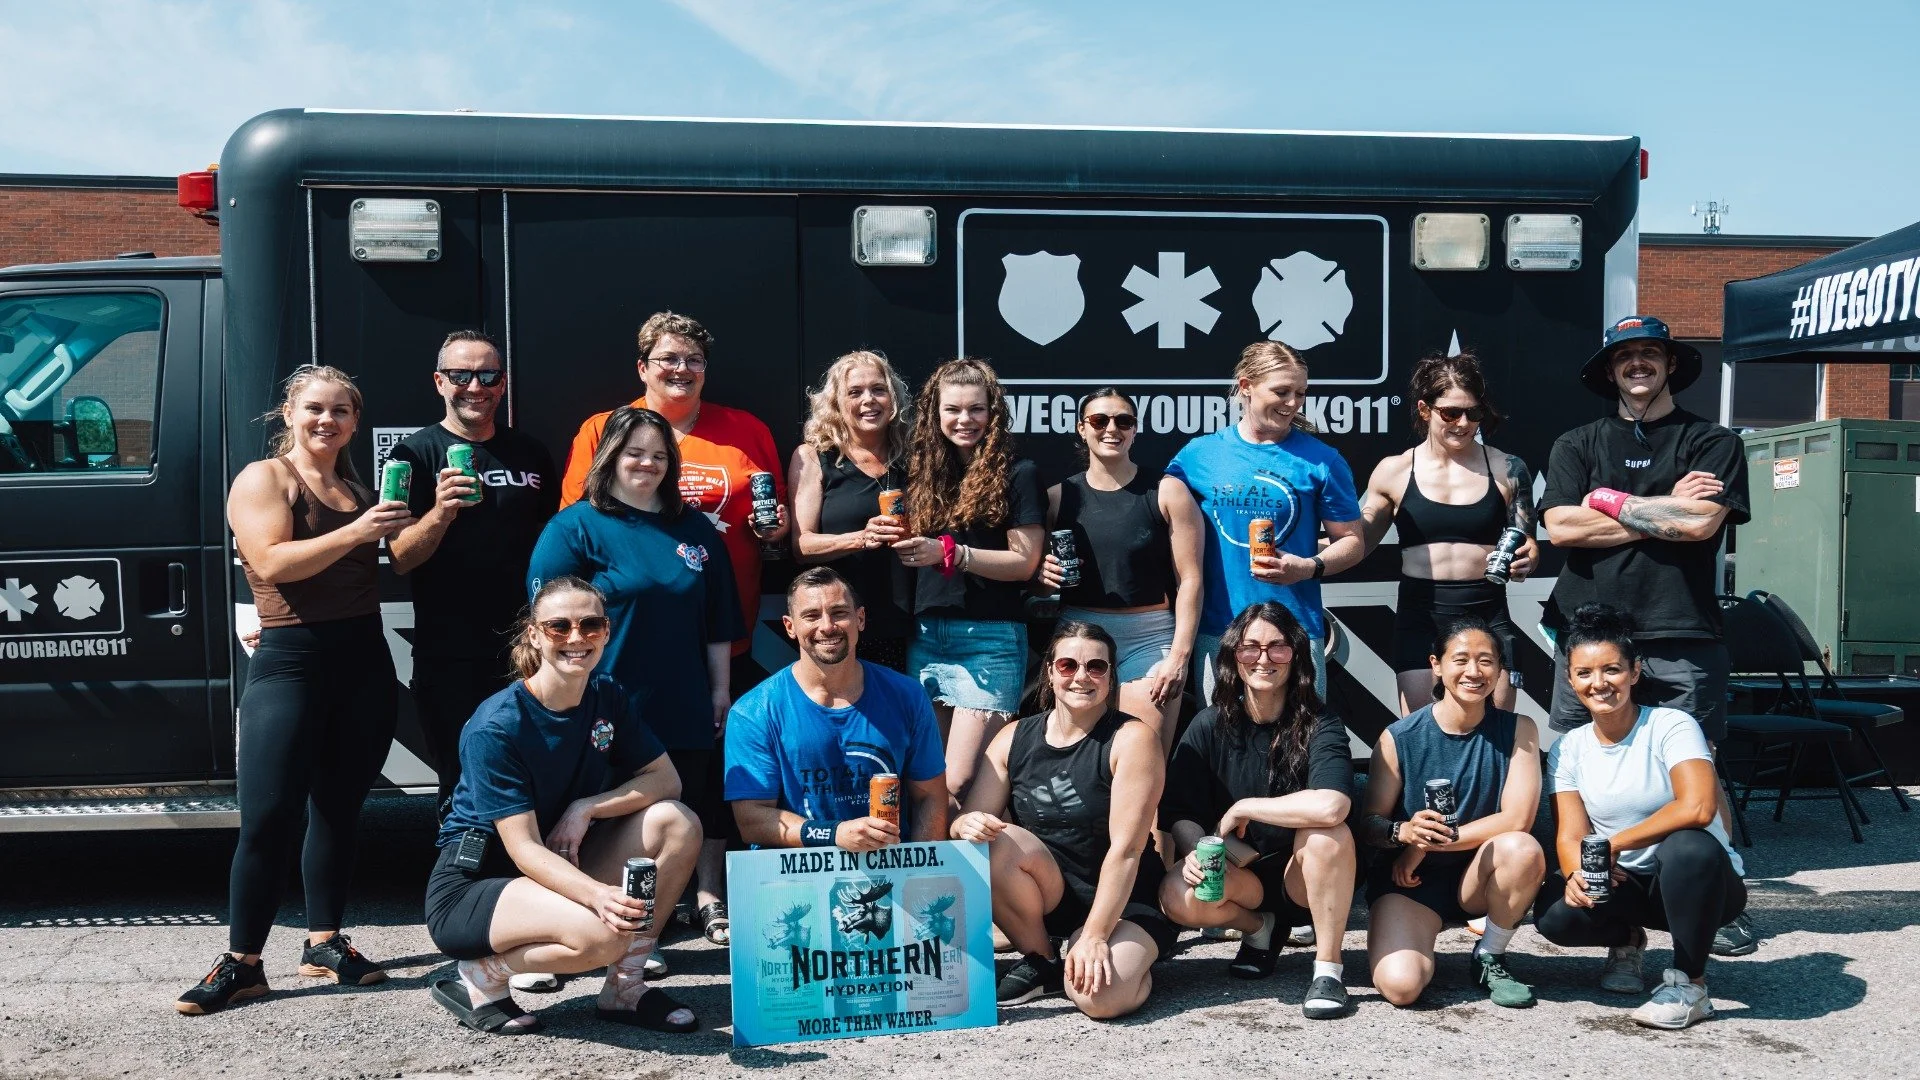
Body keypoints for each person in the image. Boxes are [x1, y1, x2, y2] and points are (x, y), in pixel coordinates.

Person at [178, 365, 410, 1014]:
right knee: (269, 818)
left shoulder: (357, 487)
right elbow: (271, 559)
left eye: (340, 411)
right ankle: (243, 963)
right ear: (288, 414)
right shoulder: (265, 479)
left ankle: (325, 943)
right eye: (314, 408)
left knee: (339, 809)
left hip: (364, 663)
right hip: (290, 665)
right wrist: (358, 533)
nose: (326, 420)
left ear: (356, 423)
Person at [558, 311, 787, 945]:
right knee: (619, 771)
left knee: (711, 766)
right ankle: (612, 900)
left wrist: (773, 533)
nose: (679, 369)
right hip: (627, 647)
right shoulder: (604, 428)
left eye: (691, 359)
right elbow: (581, 521)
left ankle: (708, 890)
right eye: (666, 359)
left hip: (719, 640)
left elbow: (775, 523)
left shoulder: (745, 432)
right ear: (642, 367)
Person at [1539, 314, 1755, 958]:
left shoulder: (1712, 441)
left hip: (1683, 631)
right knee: (1586, 772)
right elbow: (1561, 530)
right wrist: (1661, 505)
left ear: (1668, 364)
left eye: (1649, 354)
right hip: (1588, 636)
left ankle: (1717, 895)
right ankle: (1619, 925)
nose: (1638, 364)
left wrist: (1604, 501)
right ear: (1610, 370)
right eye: (1625, 355)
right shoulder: (1577, 442)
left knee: (1700, 776)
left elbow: (1700, 525)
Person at [425, 576, 703, 1034]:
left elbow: (665, 780)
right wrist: (598, 896)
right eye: (558, 626)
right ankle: (479, 976)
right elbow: (524, 850)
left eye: (590, 625)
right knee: (604, 935)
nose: (576, 638)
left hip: (558, 863)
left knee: (677, 822)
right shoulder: (497, 726)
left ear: (606, 632)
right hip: (479, 885)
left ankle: (625, 989)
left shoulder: (606, 694)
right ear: (534, 634)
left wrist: (587, 807)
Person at [530, 406, 744, 947]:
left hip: (683, 694)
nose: (646, 465)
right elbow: (547, 620)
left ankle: (679, 913)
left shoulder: (694, 528)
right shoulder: (576, 526)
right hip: (606, 700)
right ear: (610, 458)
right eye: (634, 454)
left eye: (658, 455)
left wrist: (719, 690)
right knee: (612, 813)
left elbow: (718, 619)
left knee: (690, 802)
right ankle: (589, 922)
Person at [1532, 604, 1748, 1030]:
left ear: (1634, 672)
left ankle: (1691, 985)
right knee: (1555, 914)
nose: (1599, 683)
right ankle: (1628, 941)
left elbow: (1698, 807)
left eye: (1611, 670)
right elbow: (1570, 833)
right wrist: (1578, 874)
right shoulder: (1568, 748)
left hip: (1703, 884)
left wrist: (1612, 845)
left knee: (1687, 845)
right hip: (1626, 884)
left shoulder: (1671, 725)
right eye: (1584, 673)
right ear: (1570, 679)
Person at [953, 621, 1170, 1017]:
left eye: (1096, 667)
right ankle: (1043, 960)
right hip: (1052, 893)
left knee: (1100, 1000)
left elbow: (1127, 850)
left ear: (1111, 675)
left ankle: (1139, 960)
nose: (1082, 677)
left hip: (1124, 900)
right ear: (1050, 671)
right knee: (992, 839)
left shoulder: (1131, 739)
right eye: (1068, 665)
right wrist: (964, 825)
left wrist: (1096, 935)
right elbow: (967, 820)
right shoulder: (1014, 737)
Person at [1157, 602, 1358, 1019]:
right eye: (1250, 648)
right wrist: (1195, 849)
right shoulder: (1208, 724)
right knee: (1177, 894)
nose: (1263, 659)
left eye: (1277, 647)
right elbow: (1180, 810)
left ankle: (1328, 969)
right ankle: (1259, 930)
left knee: (1327, 834)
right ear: (1233, 656)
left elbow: (1334, 803)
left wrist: (1247, 807)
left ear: (1297, 655)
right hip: (1241, 877)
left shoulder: (1321, 723)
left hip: (1302, 880)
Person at [389, 330, 559, 813]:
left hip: (529, 649)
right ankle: (461, 885)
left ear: (502, 384)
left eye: (488, 375)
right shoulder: (413, 455)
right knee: (461, 780)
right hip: (450, 653)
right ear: (440, 382)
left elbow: (555, 542)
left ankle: (529, 882)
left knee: (533, 774)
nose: (475, 386)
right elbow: (400, 557)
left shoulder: (530, 454)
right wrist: (441, 511)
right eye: (461, 375)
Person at [1359, 616, 1544, 1009]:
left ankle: (1490, 953)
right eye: (1460, 660)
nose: (1474, 672)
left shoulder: (1520, 729)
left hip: (1479, 875)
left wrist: (1426, 845)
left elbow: (1517, 819)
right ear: (1436, 665)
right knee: (1401, 987)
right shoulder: (1398, 737)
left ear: (1499, 670)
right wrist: (1403, 833)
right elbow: (1370, 823)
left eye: (1486, 661)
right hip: (1409, 883)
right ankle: (1414, 941)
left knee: (1522, 848)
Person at [1168, 342, 1365, 704]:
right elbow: (1158, 521)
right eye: (1282, 391)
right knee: (1225, 749)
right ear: (1246, 386)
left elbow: (1352, 542)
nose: (1292, 402)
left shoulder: (1322, 461)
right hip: (1219, 628)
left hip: (1295, 631)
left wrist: (1307, 567)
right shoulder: (1197, 456)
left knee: (1297, 746)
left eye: (1300, 393)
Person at [895, 358, 1045, 799]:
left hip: (991, 641)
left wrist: (952, 554)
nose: (965, 420)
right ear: (934, 413)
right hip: (926, 635)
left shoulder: (1019, 472)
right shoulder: (920, 473)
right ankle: (939, 867)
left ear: (993, 412)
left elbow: (1024, 562)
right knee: (928, 780)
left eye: (976, 409)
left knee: (960, 778)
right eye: (953, 410)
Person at [1360, 350, 1537, 713]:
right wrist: (1306, 550)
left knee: (1496, 733)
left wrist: (1527, 560)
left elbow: (1528, 542)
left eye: (1473, 413)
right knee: (1421, 734)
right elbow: (1359, 540)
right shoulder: (1394, 470)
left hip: (1487, 609)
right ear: (1426, 410)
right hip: (1420, 612)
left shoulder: (1509, 468)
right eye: (1450, 412)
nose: (1463, 423)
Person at [726, 566, 950, 849]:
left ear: (861, 618)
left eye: (839, 613)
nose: (827, 626)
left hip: (891, 867)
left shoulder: (908, 696)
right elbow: (751, 821)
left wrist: (920, 878)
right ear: (789, 627)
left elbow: (930, 796)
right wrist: (834, 834)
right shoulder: (753, 711)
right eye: (811, 615)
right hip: (793, 878)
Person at [1035, 387, 1205, 755]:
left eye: (1123, 421)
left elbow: (1190, 580)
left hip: (1150, 637)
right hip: (1077, 633)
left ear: (1134, 429)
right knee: (1079, 755)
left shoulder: (1167, 492)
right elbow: (1030, 570)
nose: (1111, 428)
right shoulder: (1056, 498)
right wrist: (1041, 574)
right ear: (1082, 428)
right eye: (1099, 420)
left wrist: (1178, 657)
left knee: (1143, 757)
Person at [788, 351, 914, 671]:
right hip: (840, 627)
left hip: (916, 628)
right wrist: (860, 537)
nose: (868, 400)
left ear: (893, 397)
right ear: (836, 404)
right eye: (855, 392)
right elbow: (802, 546)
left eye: (878, 389)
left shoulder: (918, 457)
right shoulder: (815, 457)